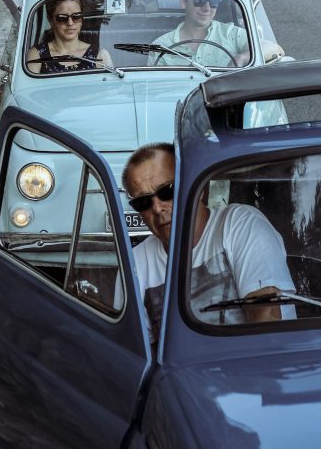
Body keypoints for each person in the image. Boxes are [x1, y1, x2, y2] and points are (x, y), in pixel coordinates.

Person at [122, 143, 294, 342]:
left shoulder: (240, 224)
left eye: (167, 191)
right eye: (143, 202)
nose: (158, 207)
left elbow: (266, 320)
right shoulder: (135, 265)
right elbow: (141, 353)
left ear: (198, 188)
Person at [149, 0, 250, 67]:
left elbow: (263, 46)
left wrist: (240, 58)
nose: (207, 8)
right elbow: (153, 88)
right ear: (183, 1)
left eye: (213, 2)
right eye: (199, 1)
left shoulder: (230, 33)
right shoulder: (160, 46)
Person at [25, 0, 112, 74]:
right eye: (62, 18)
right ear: (50, 20)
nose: (70, 23)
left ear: (82, 19)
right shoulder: (36, 55)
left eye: (76, 17)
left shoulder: (100, 55)